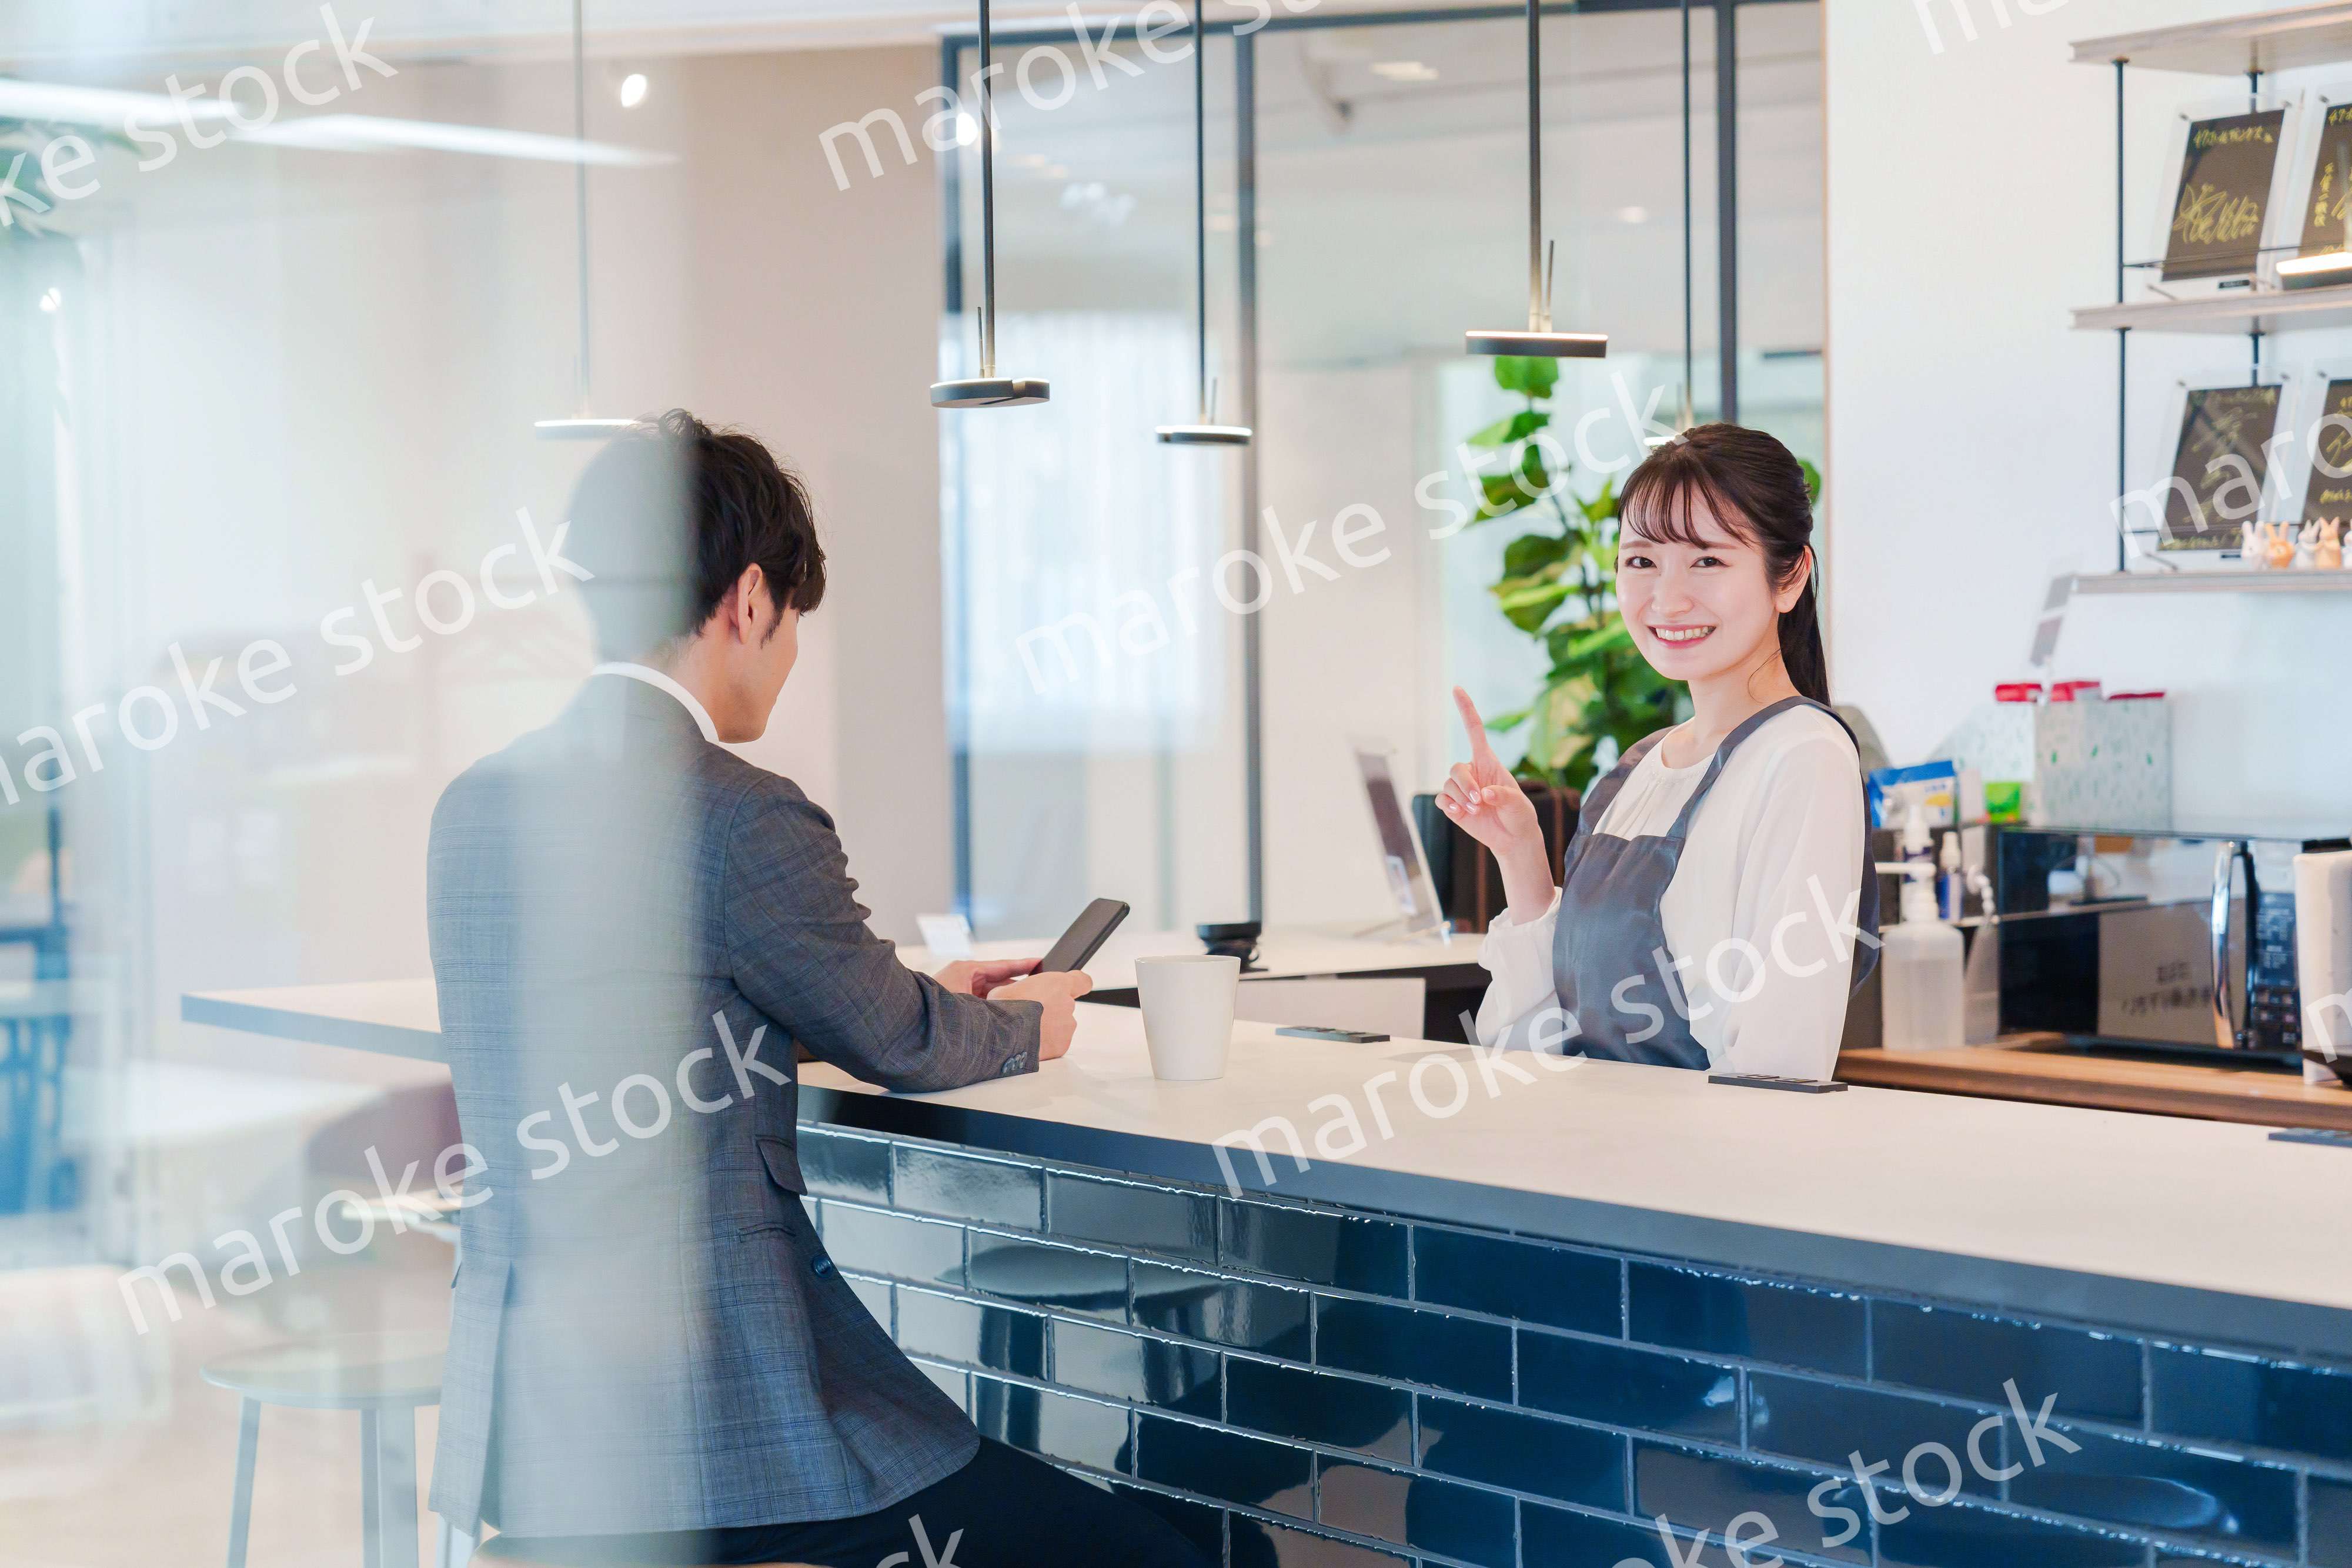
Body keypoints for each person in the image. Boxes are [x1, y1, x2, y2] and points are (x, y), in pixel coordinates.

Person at [424, 411, 1208, 1567]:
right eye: (794, 623)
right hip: (729, 1438)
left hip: (543, 1440)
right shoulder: (738, 810)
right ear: (750, 599)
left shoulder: (474, 804)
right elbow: (902, 1043)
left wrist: (897, 989)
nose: (789, 659)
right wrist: (1025, 1024)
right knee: (1154, 1557)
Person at [1439, 422, 1877, 1080]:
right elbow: (1527, 1052)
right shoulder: (1639, 768)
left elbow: (1778, 1069)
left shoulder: (1804, 757)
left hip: (1697, 1150)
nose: (1668, 600)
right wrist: (1521, 857)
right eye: (1642, 561)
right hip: (1585, 1139)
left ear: (1789, 578)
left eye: (1708, 561)